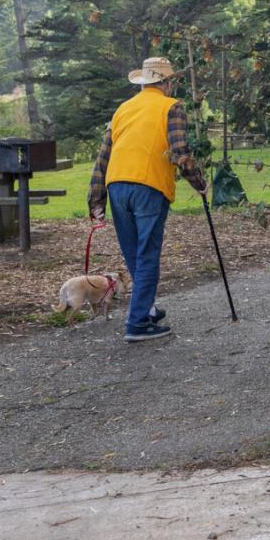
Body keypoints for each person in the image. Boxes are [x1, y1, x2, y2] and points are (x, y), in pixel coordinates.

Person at [88, 56, 207, 342]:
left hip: (116, 186)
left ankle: (146, 308)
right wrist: (199, 183)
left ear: (144, 82)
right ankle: (138, 324)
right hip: (149, 186)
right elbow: (180, 152)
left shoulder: (123, 109)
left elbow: (103, 156)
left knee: (134, 255)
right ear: (167, 82)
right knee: (147, 256)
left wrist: (96, 199)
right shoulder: (171, 107)